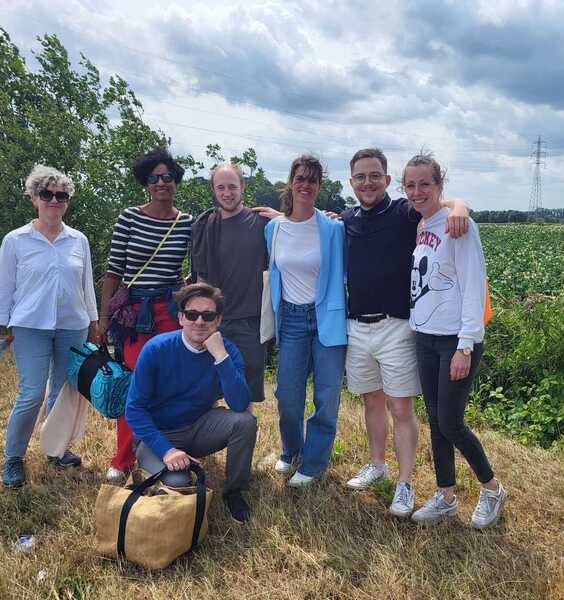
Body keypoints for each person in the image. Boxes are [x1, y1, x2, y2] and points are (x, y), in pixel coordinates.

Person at [341, 148, 469, 518]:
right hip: (356, 326)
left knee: (400, 407)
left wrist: (460, 207)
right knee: (371, 402)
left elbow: (442, 202)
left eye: (374, 176)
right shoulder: (346, 219)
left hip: (396, 324)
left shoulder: (402, 211)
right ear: (351, 182)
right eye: (360, 177)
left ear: (386, 180)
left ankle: (405, 483)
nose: (367, 183)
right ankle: (377, 465)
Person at [403, 152, 506, 527]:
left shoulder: (459, 225)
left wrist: (465, 344)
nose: (417, 191)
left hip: (454, 341)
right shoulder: (422, 223)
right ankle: (446, 496)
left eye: (424, 184)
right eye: (410, 185)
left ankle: (492, 488)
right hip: (425, 337)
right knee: (435, 419)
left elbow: (474, 289)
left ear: (439, 185)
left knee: (451, 422)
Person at [97, 148, 193, 483]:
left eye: (168, 176)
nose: (162, 183)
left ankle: (160, 449)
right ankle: (122, 458)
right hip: (133, 314)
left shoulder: (186, 223)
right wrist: (104, 317)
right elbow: (113, 272)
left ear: (176, 181)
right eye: (154, 178)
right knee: (135, 382)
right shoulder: (129, 217)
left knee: (166, 383)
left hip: (168, 312)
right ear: (146, 183)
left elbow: (183, 274)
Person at [0, 165, 98, 488]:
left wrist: (94, 322)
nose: (54, 200)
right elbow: (5, 287)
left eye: (61, 195)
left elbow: (86, 286)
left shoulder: (78, 240)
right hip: (29, 326)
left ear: (67, 201)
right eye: (47, 194)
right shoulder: (15, 241)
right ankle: (14, 457)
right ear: (34, 198)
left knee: (62, 391)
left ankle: (55, 450)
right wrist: (3, 327)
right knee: (31, 392)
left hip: (73, 326)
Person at [125, 283, 256, 522]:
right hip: (158, 435)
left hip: (198, 427)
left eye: (208, 315)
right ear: (180, 317)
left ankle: (234, 491)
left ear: (218, 320)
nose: (199, 321)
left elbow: (239, 404)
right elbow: (134, 410)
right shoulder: (156, 349)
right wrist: (167, 451)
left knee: (245, 422)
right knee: (179, 483)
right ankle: (157, 465)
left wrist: (220, 357)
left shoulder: (227, 352)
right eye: (192, 314)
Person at [264, 155, 347, 487]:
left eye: (312, 179)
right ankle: (292, 451)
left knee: (326, 397)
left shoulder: (333, 228)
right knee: (287, 395)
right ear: (291, 182)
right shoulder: (273, 228)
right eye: (300, 178)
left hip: (326, 318)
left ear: (319, 186)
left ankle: (313, 463)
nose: (306, 184)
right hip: (292, 320)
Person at [191, 163, 268, 407]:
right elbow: (200, 279)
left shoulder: (262, 223)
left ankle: (241, 445)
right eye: (220, 187)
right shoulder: (204, 226)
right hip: (213, 322)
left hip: (251, 323)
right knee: (204, 394)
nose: (227, 193)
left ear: (242, 187)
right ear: (213, 190)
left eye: (232, 187)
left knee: (243, 398)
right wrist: (200, 321)